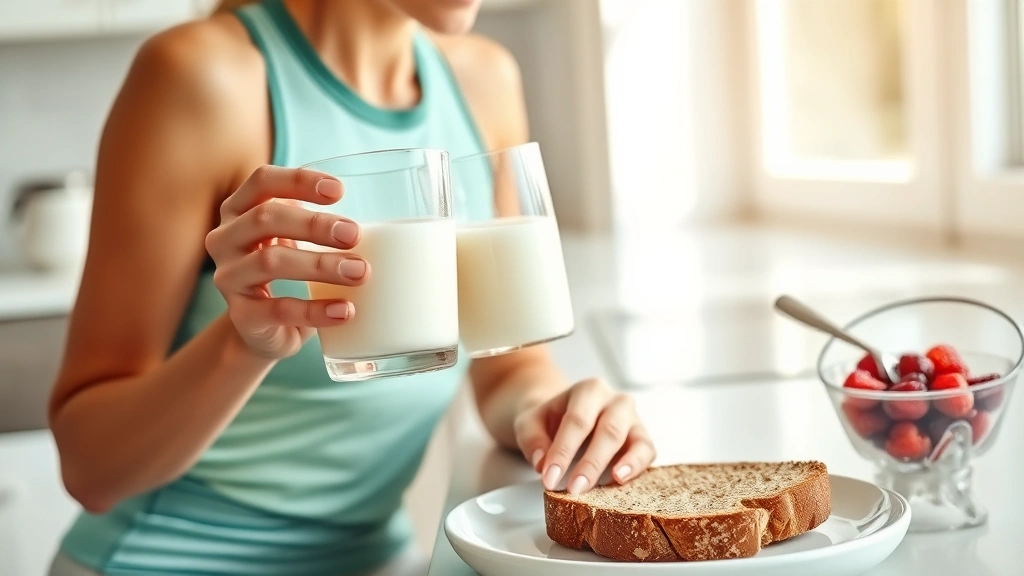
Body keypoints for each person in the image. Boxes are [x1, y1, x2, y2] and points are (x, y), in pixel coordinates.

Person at [46, 1, 656, 574]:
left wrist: (546, 411)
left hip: (373, 557)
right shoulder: (202, 78)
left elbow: (508, 364)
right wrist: (243, 348)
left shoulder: (484, 79)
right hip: (169, 558)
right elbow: (89, 467)